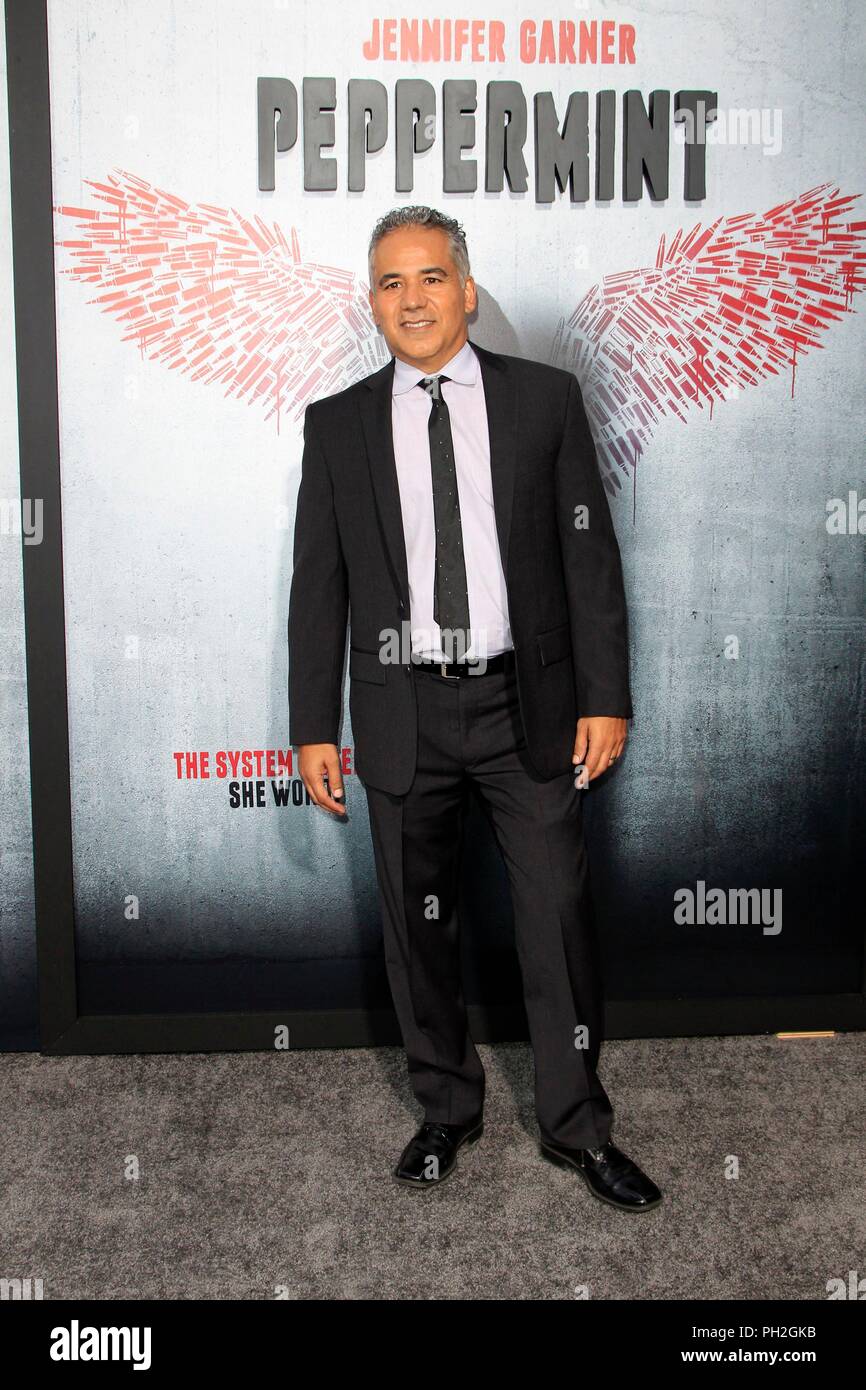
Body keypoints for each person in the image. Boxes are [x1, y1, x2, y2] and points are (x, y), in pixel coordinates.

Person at [288, 205, 661, 1211]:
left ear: (465, 285)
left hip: (523, 706)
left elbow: (590, 559)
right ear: (372, 302)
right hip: (401, 709)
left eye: (428, 277)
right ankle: (445, 1109)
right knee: (419, 931)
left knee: (555, 917)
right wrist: (312, 724)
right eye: (388, 282)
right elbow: (316, 583)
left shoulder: (544, 403)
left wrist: (603, 694)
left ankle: (577, 1125)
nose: (410, 298)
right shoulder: (336, 424)